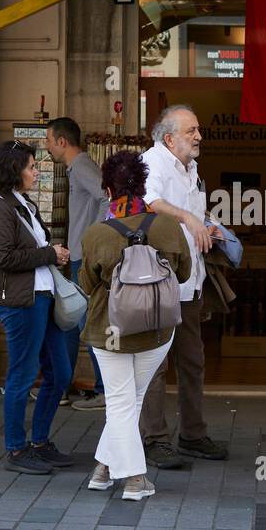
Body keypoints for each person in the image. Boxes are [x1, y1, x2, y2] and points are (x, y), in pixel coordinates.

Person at [78, 151, 192, 501]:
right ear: (143, 185)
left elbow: (86, 284)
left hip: (108, 331)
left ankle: (131, 478)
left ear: (108, 190)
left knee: (121, 402)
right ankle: (107, 469)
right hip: (157, 331)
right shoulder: (169, 227)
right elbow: (184, 273)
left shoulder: (96, 234)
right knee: (131, 400)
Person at [138, 105, 230, 468]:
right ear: (169, 137)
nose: (198, 136)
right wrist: (189, 217)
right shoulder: (152, 162)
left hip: (190, 282)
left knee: (192, 361)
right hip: (159, 281)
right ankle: (154, 439)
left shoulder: (190, 168)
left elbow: (189, 219)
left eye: (198, 130)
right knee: (156, 363)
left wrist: (207, 226)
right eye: (191, 130)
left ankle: (192, 434)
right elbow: (149, 202)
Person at [0, 140, 76, 474]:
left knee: (61, 373)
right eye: (31, 166)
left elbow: (29, 250)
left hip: (43, 299)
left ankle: (40, 442)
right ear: (14, 170)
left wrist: (52, 251)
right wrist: (50, 253)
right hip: (21, 302)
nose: (37, 171)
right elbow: (3, 257)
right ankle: (16, 450)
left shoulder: (23, 204)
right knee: (21, 376)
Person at [42, 116, 108, 411]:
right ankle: (62, 386)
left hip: (86, 258)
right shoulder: (76, 168)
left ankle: (104, 390)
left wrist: (91, 237)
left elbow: (107, 198)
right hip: (80, 256)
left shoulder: (81, 166)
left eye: (48, 140)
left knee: (86, 322)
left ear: (61, 141)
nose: (46, 146)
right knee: (71, 321)